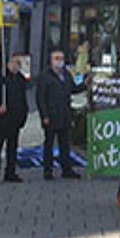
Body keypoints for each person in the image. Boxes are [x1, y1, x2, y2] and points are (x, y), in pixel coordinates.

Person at [36, 50, 87, 180]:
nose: (60, 61)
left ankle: (66, 169)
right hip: (51, 115)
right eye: (57, 58)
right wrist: (44, 115)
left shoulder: (66, 74)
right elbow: (40, 98)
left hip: (65, 114)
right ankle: (48, 170)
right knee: (49, 144)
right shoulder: (45, 76)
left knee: (65, 144)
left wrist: (84, 85)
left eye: (62, 58)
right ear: (51, 60)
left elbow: (73, 89)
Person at [0, 55, 28, 185]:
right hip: (1, 120)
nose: (16, 65)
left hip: (14, 120)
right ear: (8, 63)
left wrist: (23, 115)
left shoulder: (20, 79)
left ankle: (10, 172)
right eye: (14, 62)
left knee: (12, 148)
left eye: (18, 63)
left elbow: (23, 98)